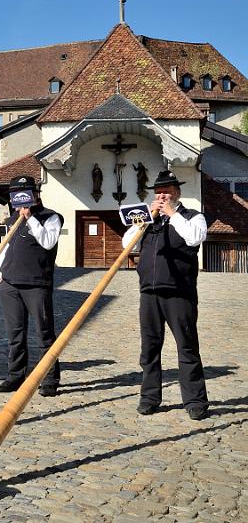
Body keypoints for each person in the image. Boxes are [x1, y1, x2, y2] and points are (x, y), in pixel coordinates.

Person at [121, 170, 209, 420]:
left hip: (179, 293)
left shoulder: (193, 216)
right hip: (149, 292)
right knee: (149, 348)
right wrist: (145, 220)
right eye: (159, 192)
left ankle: (195, 401)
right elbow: (127, 246)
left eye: (167, 191)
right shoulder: (148, 220)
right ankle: (150, 397)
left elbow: (194, 238)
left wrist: (173, 214)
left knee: (187, 347)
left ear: (177, 192)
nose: (162, 195)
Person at [0, 176, 63, 396]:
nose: (20, 198)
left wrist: (30, 217)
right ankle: (15, 375)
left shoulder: (51, 217)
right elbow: (6, 247)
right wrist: (0, 272)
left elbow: (48, 242)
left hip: (36, 284)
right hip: (10, 283)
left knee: (44, 333)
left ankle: (49, 378)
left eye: (24, 192)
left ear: (35, 194)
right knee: (15, 333)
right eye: (16, 194)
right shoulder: (12, 219)